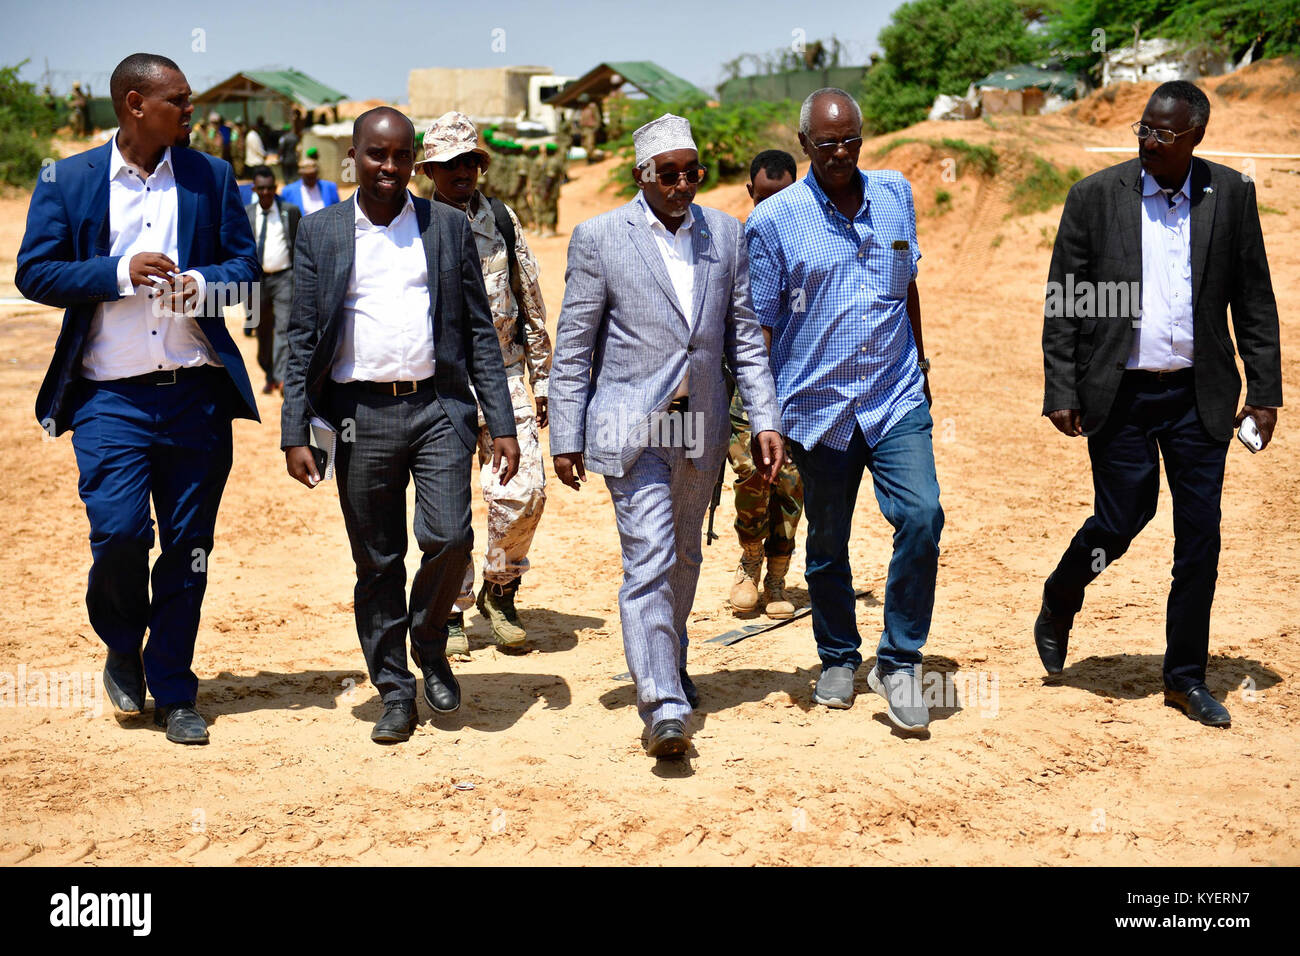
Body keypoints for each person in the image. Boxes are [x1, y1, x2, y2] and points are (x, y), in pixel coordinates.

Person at [16, 52, 260, 744]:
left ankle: (176, 686)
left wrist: (204, 284)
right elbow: (35, 272)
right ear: (133, 104)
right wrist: (120, 272)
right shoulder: (71, 178)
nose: (191, 112)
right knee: (120, 533)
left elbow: (248, 275)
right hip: (108, 399)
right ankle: (123, 644)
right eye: (178, 102)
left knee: (189, 548)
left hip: (196, 396)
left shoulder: (211, 177)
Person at [1036, 81, 1283, 727]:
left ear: (1195, 135)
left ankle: (1184, 678)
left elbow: (1253, 297)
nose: (1147, 140)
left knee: (1199, 538)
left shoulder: (1230, 194)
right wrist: (1061, 386)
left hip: (1199, 394)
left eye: (1162, 132)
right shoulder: (1095, 198)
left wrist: (1264, 392)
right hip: (1117, 393)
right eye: (1142, 128)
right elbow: (1066, 299)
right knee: (1121, 519)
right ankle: (1063, 593)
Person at [281, 107, 520, 744]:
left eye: (399, 157)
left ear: (414, 160)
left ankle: (430, 643)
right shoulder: (322, 232)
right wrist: (294, 430)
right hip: (359, 417)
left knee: (449, 537)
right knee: (378, 561)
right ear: (353, 157)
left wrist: (501, 419)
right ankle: (393, 688)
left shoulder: (444, 227)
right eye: (375, 156)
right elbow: (301, 336)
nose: (389, 169)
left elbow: (476, 329)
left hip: (439, 408)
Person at [550, 114, 783, 759]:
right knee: (648, 556)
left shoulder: (727, 236)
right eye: (670, 174)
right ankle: (662, 705)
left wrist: (764, 417)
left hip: (699, 420)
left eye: (693, 173)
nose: (684, 185)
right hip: (635, 421)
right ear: (641, 176)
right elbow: (574, 346)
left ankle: (668, 657)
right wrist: (566, 431)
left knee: (684, 554)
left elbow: (744, 340)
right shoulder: (600, 239)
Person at [747, 88, 943, 733]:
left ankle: (901, 660)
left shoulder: (895, 195)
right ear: (805, 145)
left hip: (895, 396)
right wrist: (766, 416)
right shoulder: (773, 223)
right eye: (826, 143)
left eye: (850, 139)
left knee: (922, 515)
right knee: (828, 543)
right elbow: (761, 327)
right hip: (817, 410)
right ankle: (837, 656)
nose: (840, 152)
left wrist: (922, 363)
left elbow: (905, 285)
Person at [418, 112, 553, 655]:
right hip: (441, 385)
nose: (461, 171)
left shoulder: (500, 217)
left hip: (504, 371)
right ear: (429, 170)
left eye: (469, 161)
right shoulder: (414, 222)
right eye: (448, 163)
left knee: (525, 492)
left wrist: (542, 379)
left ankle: (500, 588)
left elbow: (530, 296)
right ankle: (451, 608)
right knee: (447, 506)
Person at [728, 149, 803, 619]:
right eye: (765, 196)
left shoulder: (811, 240)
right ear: (750, 191)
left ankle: (778, 575)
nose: (774, 206)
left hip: (799, 381)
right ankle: (749, 560)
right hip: (742, 381)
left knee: (791, 481)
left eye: (785, 196)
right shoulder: (732, 242)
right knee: (751, 475)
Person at [245, 165, 300, 394]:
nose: (266, 193)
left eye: (270, 188)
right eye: (262, 189)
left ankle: (281, 377)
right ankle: (269, 371)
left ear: (275, 188)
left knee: (284, 327)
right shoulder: (246, 214)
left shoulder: (290, 211)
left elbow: (298, 245)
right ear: (255, 189)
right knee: (262, 329)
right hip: (256, 282)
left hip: (284, 277)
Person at [531, 142, 565, 238]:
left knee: (550, 209)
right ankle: (549, 229)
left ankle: (551, 230)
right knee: (546, 208)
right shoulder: (549, 160)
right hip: (547, 189)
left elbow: (550, 178)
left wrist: (546, 191)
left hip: (551, 190)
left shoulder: (552, 162)